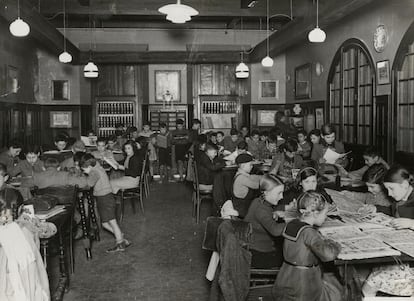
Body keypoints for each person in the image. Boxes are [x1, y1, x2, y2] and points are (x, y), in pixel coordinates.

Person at [273, 191, 343, 301]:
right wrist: (335, 245)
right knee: (337, 292)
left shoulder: (292, 224)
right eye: (325, 214)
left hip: (286, 276)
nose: (325, 218)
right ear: (315, 213)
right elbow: (328, 255)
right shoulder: (309, 232)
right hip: (304, 282)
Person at [361, 165, 414, 297]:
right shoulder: (401, 199)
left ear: (405, 185)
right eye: (387, 189)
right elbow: (392, 211)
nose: (389, 194)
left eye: (391, 189)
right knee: (370, 272)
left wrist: (412, 223)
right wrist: (376, 209)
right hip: (404, 257)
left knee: (370, 282)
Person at [0, 180, 50, 301]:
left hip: (13, 285)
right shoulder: (25, 228)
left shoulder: (22, 229)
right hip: (25, 283)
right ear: (21, 208)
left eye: (6, 216)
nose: (3, 219)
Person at [80, 154, 131, 253]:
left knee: (112, 222)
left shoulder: (94, 172)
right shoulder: (97, 166)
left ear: (89, 167)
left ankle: (120, 243)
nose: (84, 172)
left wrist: (82, 179)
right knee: (105, 224)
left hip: (105, 198)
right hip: (105, 197)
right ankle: (120, 236)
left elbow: (89, 184)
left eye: (84, 170)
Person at [244, 174, 286, 268]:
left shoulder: (258, 201)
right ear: (266, 192)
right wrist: (295, 222)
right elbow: (275, 230)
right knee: (291, 258)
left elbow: (265, 214)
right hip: (258, 254)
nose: (282, 197)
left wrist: (273, 214)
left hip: (253, 248)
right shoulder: (261, 210)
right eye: (279, 193)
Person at [232, 154, 262, 218]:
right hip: (242, 209)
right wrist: (268, 181)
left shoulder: (242, 174)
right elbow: (256, 186)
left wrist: (264, 177)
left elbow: (253, 177)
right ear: (243, 166)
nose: (252, 167)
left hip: (245, 205)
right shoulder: (241, 178)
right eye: (250, 165)